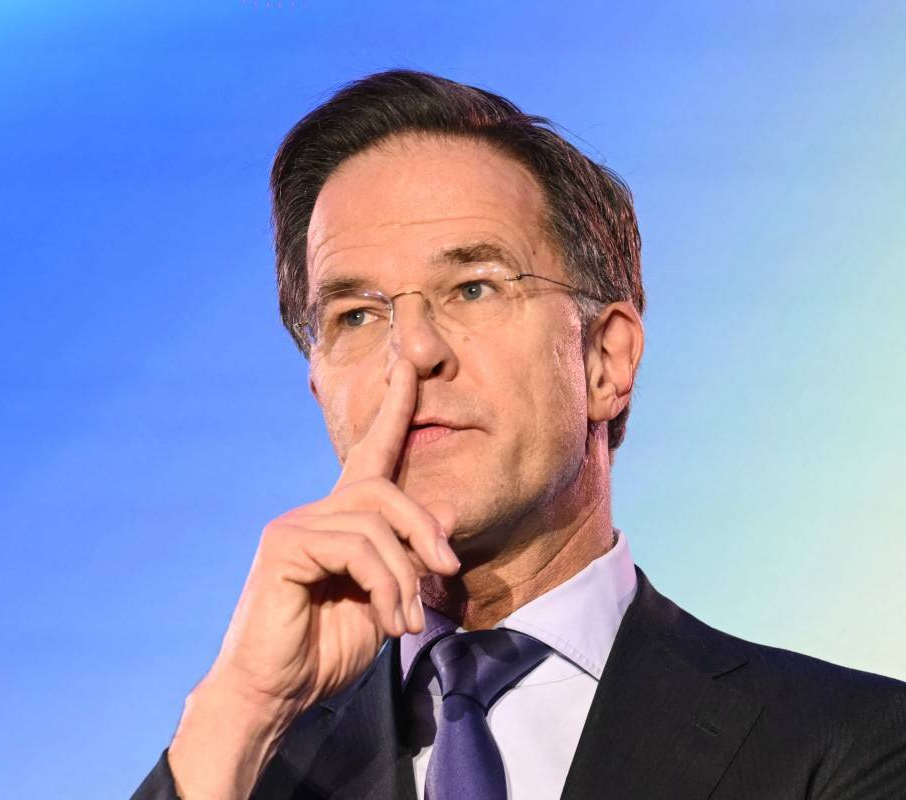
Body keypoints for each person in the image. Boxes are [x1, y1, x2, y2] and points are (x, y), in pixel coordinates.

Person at [132, 69, 906, 799]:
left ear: (605, 361)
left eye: (473, 288)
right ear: (320, 386)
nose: (414, 351)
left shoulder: (849, 743)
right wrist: (239, 707)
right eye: (357, 315)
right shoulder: (234, 773)